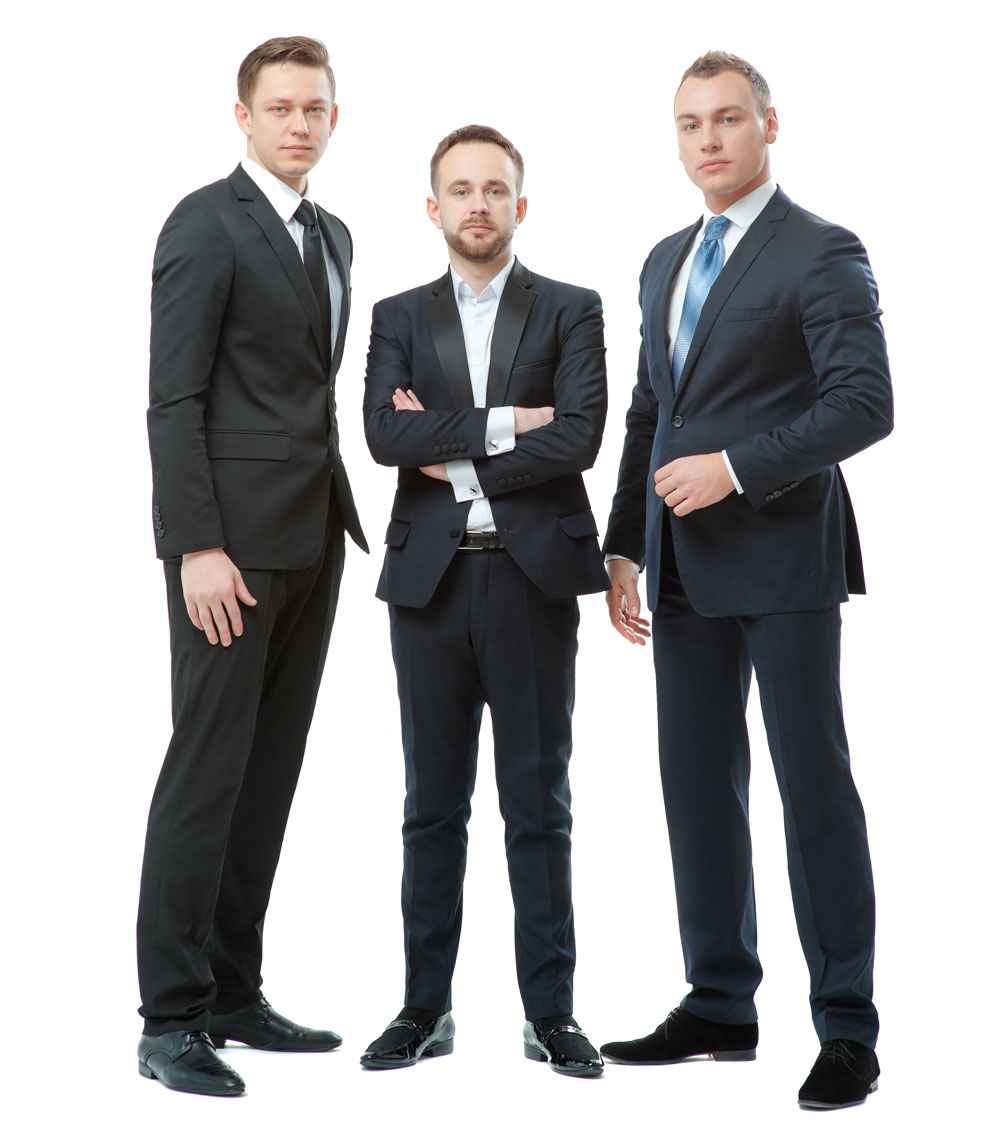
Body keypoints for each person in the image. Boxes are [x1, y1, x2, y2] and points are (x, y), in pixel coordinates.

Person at [599, 51, 892, 1111]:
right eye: (690, 124)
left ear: (770, 124)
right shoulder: (663, 260)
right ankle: (720, 999)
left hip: (781, 556)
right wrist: (622, 545)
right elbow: (650, 409)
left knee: (812, 788)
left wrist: (733, 467)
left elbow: (865, 404)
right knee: (696, 787)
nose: (708, 140)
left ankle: (847, 1027)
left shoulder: (822, 250)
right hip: (679, 566)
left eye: (727, 119)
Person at [138, 36, 367, 1097]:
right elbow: (174, 398)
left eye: (314, 108)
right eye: (279, 108)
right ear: (243, 117)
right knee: (206, 770)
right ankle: (170, 1016)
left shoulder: (336, 234)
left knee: (268, 773)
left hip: (313, 536)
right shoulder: (204, 223)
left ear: (332, 117)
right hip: (226, 552)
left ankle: (232, 989)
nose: (298, 125)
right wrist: (195, 545)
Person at [360, 125, 608, 1079]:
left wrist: (450, 444)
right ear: (434, 208)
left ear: (520, 204)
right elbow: (384, 437)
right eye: (460, 189)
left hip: (531, 579)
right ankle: (424, 1009)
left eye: (495, 189)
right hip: (428, 585)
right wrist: (513, 422)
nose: (478, 204)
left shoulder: (571, 309)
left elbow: (579, 438)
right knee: (431, 804)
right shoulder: (397, 315)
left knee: (538, 804)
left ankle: (551, 1013)